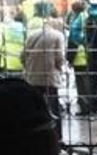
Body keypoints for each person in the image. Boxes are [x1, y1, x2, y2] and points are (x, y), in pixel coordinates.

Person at [22, 15, 68, 144]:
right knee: (53, 108)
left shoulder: (32, 35)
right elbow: (59, 57)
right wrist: (60, 68)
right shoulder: (58, 36)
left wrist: (29, 67)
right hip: (49, 77)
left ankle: (35, 134)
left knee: (35, 106)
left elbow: (23, 55)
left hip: (32, 76)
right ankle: (57, 136)